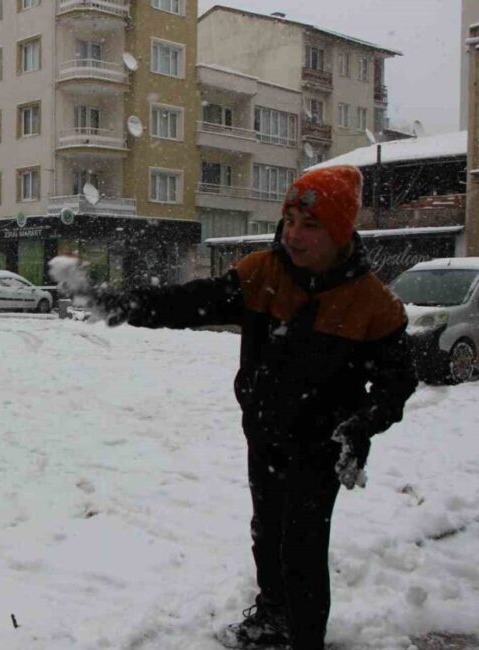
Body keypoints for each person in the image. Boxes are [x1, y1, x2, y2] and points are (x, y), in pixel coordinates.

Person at [86, 166, 417, 650]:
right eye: (289, 221)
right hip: (264, 432)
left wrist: (360, 426)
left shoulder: (372, 304)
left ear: (340, 232)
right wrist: (124, 303)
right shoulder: (263, 273)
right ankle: (273, 616)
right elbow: (193, 302)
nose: (294, 235)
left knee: (301, 549)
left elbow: (397, 383)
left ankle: (305, 638)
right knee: (267, 532)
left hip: (321, 447)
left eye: (310, 225)